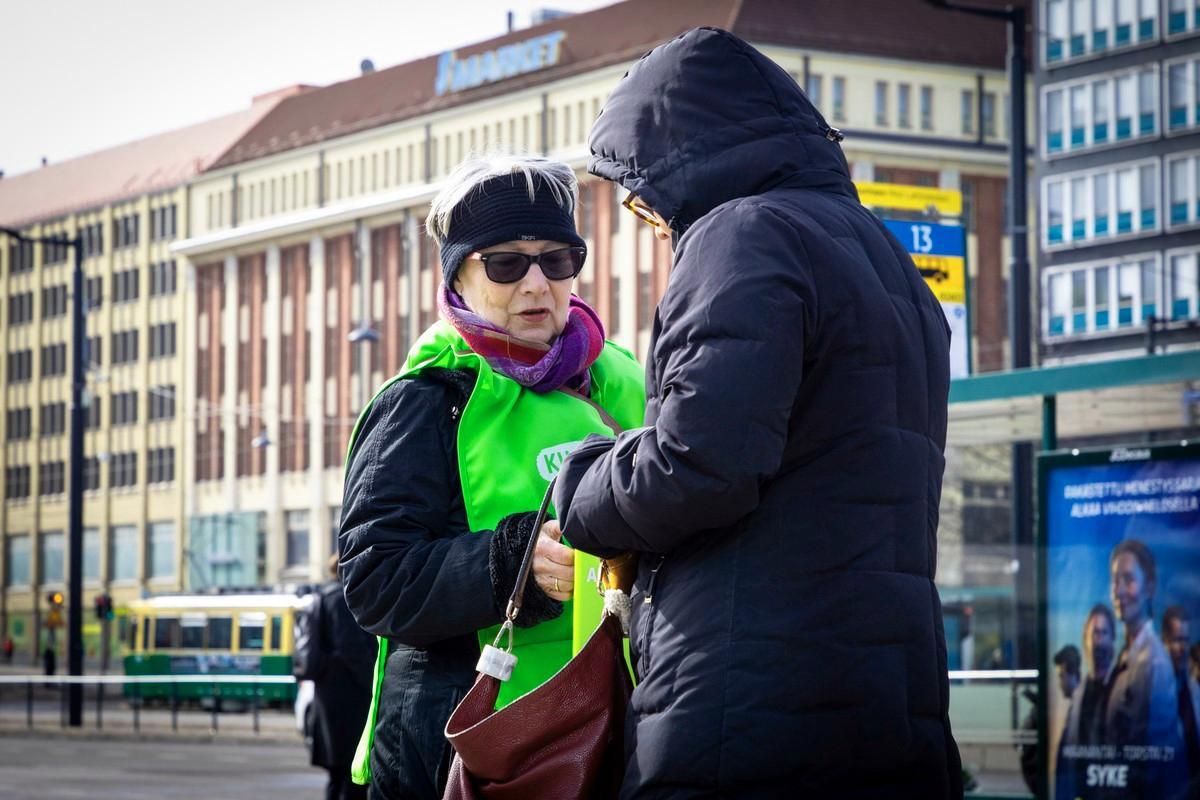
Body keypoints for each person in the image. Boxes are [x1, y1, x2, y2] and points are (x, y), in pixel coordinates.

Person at [552, 27, 960, 798]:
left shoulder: (744, 233)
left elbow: (699, 464)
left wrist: (583, 483)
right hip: (888, 704)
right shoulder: (890, 265)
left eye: (648, 206)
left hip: (746, 707)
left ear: (685, 165)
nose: (662, 228)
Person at [339, 154, 646, 800]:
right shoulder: (424, 400)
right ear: (459, 276)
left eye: (557, 260)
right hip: (464, 752)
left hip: (616, 732)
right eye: (506, 264)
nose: (537, 284)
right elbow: (372, 579)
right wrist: (515, 564)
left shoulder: (624, 382)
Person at [1105, 539, 1187, 795]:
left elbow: (1154, 758)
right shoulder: (1128, 654)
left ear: (1149, 587)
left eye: (1128, 579)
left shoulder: (1153, 662)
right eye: (1115, 580)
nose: (1119, 590)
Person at [309, 554, 376, 800]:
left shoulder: (324, 596)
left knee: (336, 776)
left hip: (327, 696)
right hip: (347, 697)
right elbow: (352, 649)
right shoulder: (342, 599)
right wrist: (375, 682)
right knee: (351, 776)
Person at [1063, 604, 1116, 747]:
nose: (1100, 640)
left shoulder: (1122, 691)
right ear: (1085, 638)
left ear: (1113, 640)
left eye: (1105, 633)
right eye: (1095, 632)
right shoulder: (1077, 696)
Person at [1163, 606, 1200, 781]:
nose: (1183, 647)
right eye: (1178, 640)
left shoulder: (1195, 691)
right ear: (1165, 642)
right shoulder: (1154, 692)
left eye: (1186, 640)